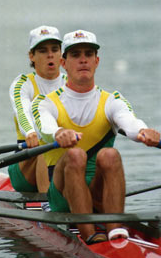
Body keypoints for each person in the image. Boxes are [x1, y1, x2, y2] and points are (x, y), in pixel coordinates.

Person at [31, 29, 160, 244]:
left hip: (100, 192)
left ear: (96, 61)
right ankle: (90, 233)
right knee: (75, 155)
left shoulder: (112, 100)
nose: (83, 60)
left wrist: (143, 132)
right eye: (75, 55)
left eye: (88, 54)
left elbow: (130, 123)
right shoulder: (46, 103)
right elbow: (44, 126)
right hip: (63, 196)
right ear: (64, 63)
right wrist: (59, 133)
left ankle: (115, 230)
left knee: (110, 154)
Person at [8, 25, 66, 194]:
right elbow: (22, 111)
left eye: (55, 49)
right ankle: (46, 203)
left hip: (63, 158)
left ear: (61, 54)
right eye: (42, 51)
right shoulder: (23, 84)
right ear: (31, 56)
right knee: (45, 144)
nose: (50, 55)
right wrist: (30, 133)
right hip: (26, 165)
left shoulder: (71, 83)